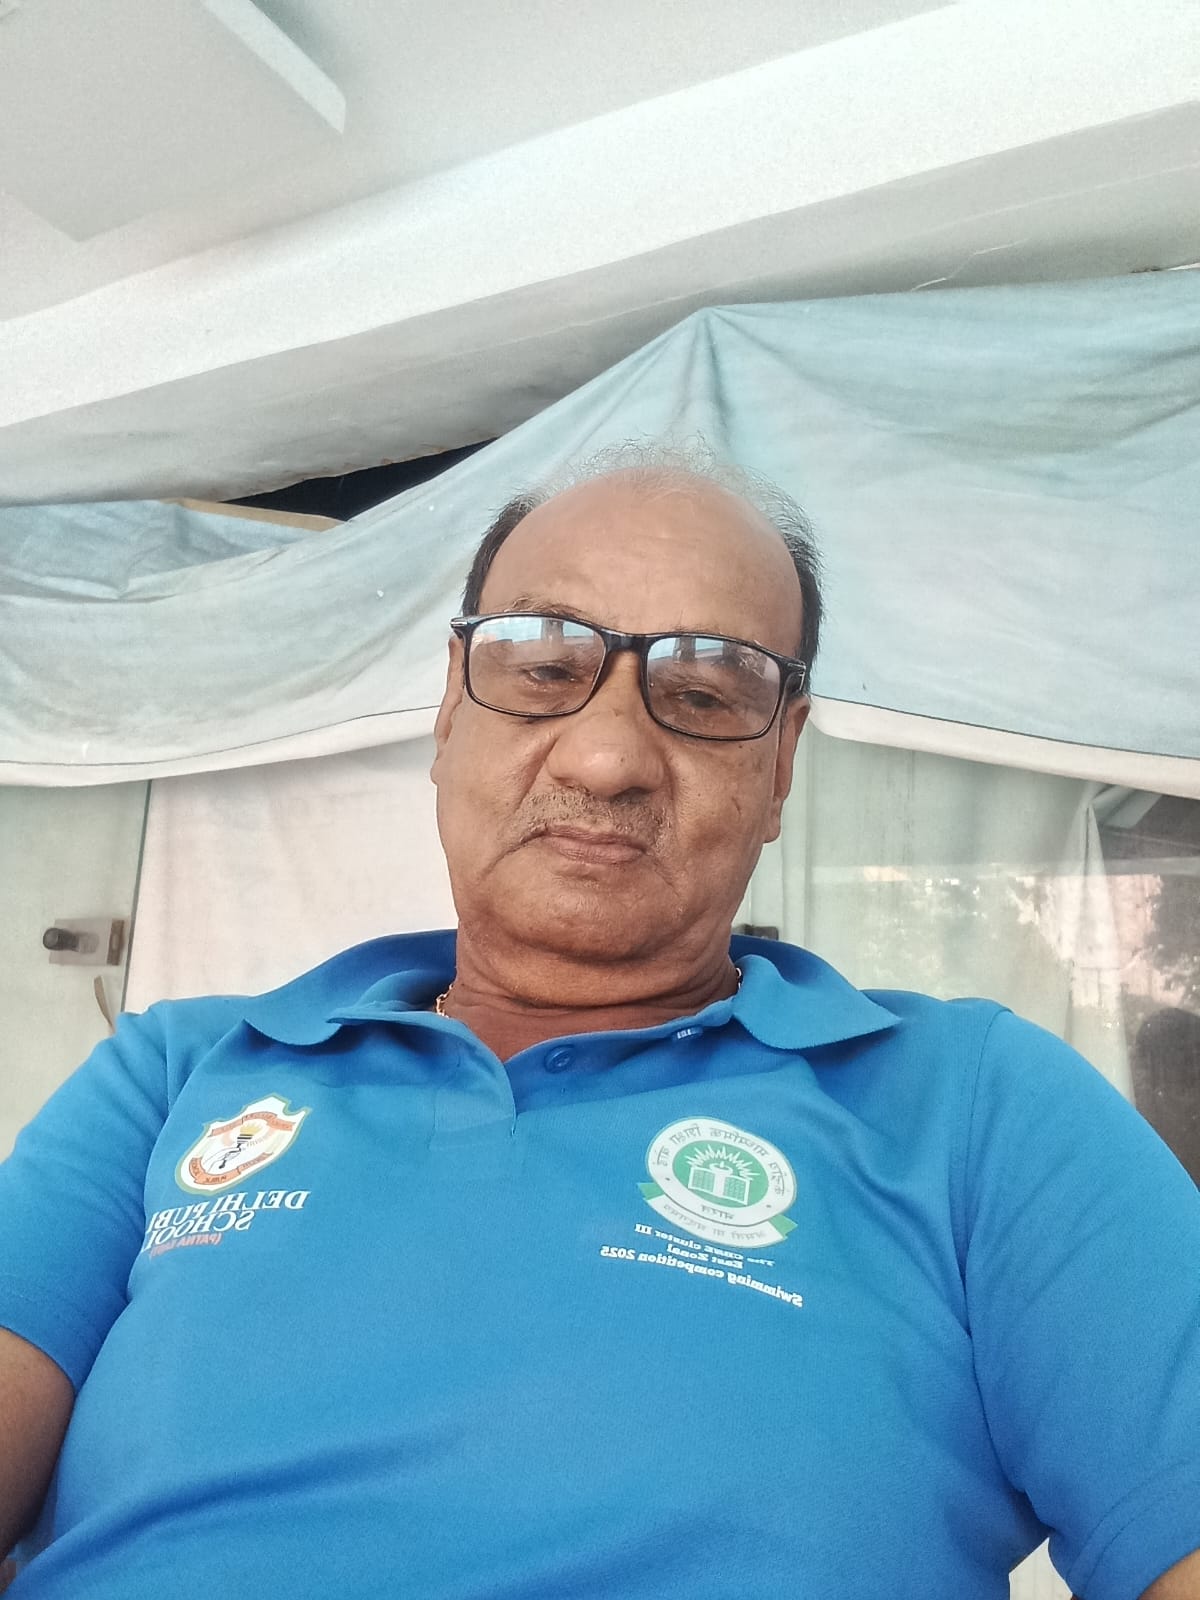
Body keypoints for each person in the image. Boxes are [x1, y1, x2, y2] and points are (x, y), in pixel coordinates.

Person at [0, 447, 1198, 1599]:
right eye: (542, 667)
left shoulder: (978, 1108)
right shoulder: (176, 1073)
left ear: (781, 767)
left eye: (704, 693)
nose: (610, 755)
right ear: (449, 712)